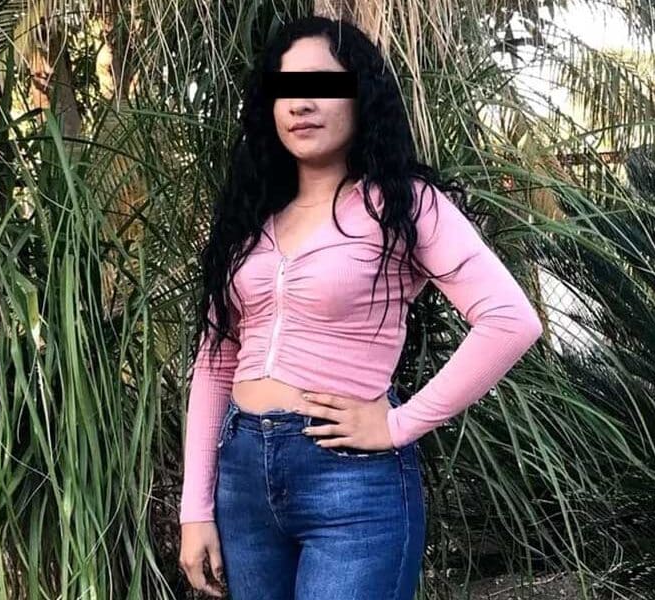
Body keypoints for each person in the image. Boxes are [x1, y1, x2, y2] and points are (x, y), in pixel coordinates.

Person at [178, 16, 543, 599]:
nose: (302, 103)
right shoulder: (251, 220)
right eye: (286, 88)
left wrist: (399, 424)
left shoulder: (403, 205)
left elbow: (510, 320)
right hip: (242, 478)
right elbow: (216, 363)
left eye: (323, 85)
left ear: (361, 97)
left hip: (350, 482)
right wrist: (195, 509)